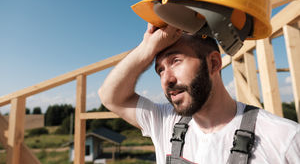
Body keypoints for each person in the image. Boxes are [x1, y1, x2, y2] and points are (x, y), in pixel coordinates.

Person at [98, 24, 300, 163]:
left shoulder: (284, 139)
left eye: (175, 61)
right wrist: (147, 48)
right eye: (160, 70)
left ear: (213, 63)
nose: (166, 79)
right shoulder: (165, 122)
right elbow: (110, 96)